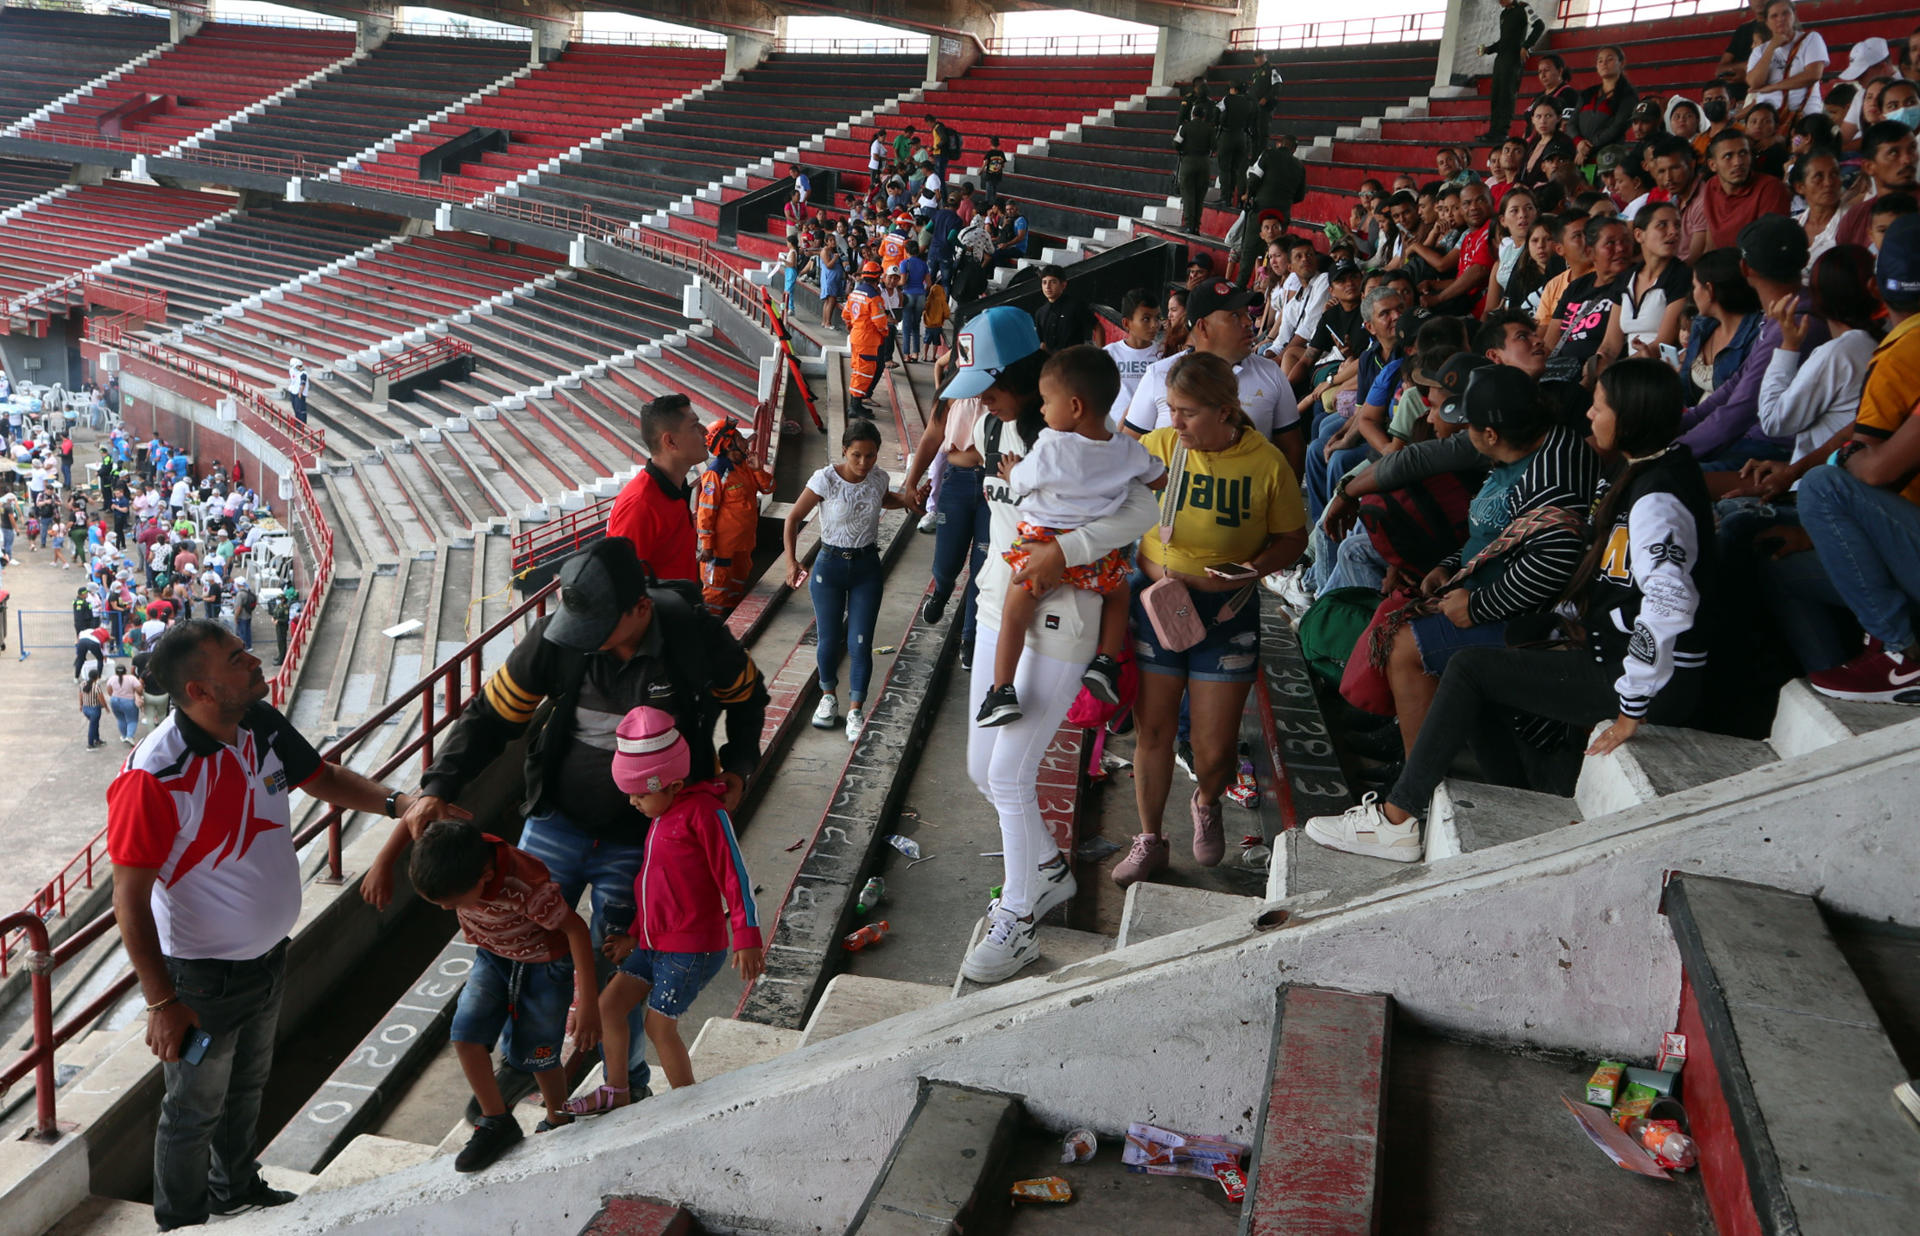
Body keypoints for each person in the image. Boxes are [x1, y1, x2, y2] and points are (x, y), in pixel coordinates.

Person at [377, 538, 767, 1109]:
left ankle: (627, 1078)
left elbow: (749, 697)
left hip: (644, 837)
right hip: (558, 819)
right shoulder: (559, 640)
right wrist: (438, 787)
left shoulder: (693, 637)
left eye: (599, 631)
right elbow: (490, 716)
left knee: (626, 960)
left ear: (639, 609)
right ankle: (526, 1058)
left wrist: (738, 765)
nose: (586, 643)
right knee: (524, 942)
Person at [1306, 360, 1712, 860]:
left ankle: (1400, 815)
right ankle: (1507, 797)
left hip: (1631, 676)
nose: (1588, 415)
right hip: (1611, 656)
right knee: (1473, 673)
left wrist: (1632, 708)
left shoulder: (1655, 497)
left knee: (1467, 666)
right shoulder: (1644, 473)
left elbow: (1670, 602)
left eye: (1600, 406)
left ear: (1629, 418)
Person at [109, 620, 418, 1229]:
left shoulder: (258, 723)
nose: (254, 661)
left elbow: (322, 778)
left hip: (269, 956)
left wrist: (397, 803)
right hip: (200, 981)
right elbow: (129, 901)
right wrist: (161, 1001)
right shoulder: (153, 777)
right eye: (235, 658)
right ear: (199, 690)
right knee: (193, 1108)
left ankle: (236, 1191)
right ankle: (182, 1221)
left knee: (246, 1089)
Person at [941, 308, 1158, 982]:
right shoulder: (992, 424)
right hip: (996, 604)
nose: (982, 397)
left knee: (1010, 774)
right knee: (984, 770)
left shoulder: (1084, 438)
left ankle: (1020, 917)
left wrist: (1066, 551)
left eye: (992, 383)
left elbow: (1148, 509)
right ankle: (1046, 872)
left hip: (1065, 611)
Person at [1112, 351, 1307, 886]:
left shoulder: (1265, 463)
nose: (1175, 422)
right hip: (1160, 606)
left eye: (1187, 412)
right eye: (1171, 409)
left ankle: (1207, 797)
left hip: (1228, 612)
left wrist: (1252, 570)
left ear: (1226, 411)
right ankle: (1149, 837)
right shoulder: (1158, 450)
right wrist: (1148, 564)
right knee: (1151, 731)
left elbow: (1293, 538)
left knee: (1214, 747)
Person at [564, 706, 762, 1114]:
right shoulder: (662, 814)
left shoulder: (706, 814)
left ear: (671, 783)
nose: (633, 802)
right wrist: (634, 933)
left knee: (659, 1025)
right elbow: (653, 887)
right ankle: (616, 1092)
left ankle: (689, 1109)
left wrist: (746, 936)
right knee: (609, 1006)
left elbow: (735, 877)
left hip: (692, 949)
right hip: (656, 943)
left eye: (639, 793)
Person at [396, 820, 601, 1169]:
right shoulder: (456, 859)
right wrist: (385, 864)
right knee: (465, 1035)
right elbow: (419, 814)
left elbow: (577, 930)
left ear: (485, 877)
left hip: (544, 967)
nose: (448, 909)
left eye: (454, 902)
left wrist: (588, 1004)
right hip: (494, 957)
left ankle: (558, 1118)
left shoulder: (527, 889)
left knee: (540, 1054)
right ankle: (495, 1121)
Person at [978, 346, 1161, 726]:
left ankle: (1001, 691)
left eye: (1046, 402)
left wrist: (1012, 471)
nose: (1042, 410)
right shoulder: (1126, 448)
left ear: (1075, 406)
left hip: (1043, 546)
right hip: (1095, 555)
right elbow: (1157, 476)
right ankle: (1106, 662)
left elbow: (1026, 483)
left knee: (1015, 611)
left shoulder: (1051, 445)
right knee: (1118, 592)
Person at [1795, 216, 1920, 700]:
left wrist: (1843, 463)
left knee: (1822, 491)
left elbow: (1875, 468)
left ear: (1878, 287)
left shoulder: (1901, 348)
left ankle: (1899, 653)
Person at [782, 420, 912, 741]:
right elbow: (793, 517)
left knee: (860, 642)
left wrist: (908, 499)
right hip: (830, 567)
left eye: (870, 456)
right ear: (844, 450)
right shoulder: (825, 479)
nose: (864, 463)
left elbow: (884, 499)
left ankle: (855, 709)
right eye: (856, 455)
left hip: (866, 567)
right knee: (828, 638)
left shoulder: (878, 478)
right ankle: (828, 697)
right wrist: (791, 560)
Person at [605, 393, 706, 583]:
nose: (705, 431)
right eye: (694, 426)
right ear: (670, 442)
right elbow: (622, 586)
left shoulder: (675, 487)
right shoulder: (640, 506)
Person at [694, 419, 774, 616]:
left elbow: (768, 488)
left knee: (737, 586)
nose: (745, 440)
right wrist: (707, 544)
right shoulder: (716, 473)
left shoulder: (746, 466)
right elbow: (706, 511)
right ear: (728, 444)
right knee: (715, 593)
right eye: (739, 437)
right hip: (721, 548)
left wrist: (758, 470)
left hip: (743, 544)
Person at [1685, 129, 1793, 261]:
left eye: (1743, 153)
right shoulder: (1711, 186)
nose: (1738, 162)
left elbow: (1769, 251)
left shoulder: (1770, 189)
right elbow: (1711, 243)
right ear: (1713, 165)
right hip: (1722, 270)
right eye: (1728, 156)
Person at [1834, 120, 1919, 251]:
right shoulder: (1855, 217)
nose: (1908, 159)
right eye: (1893, 153)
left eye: (1912, 149)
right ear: (1869, 166)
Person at [1743, 0, 1826, 119]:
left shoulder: (1811, 39)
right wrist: (1772, 47)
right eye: (1774, 16)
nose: (1780, 19)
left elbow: (1813, 75)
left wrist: (1772, 87)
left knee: (1800, 137)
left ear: (1794, 15)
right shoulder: (1759, 51)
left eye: (1785, 13)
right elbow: (1754, 83)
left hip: (1803, 117)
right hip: (1768, 119)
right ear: (1767, 22)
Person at [1481, 0, 1546, 141]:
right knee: (1496, 95)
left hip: (1513, 60)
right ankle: (1493, 131)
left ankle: (1502, 132)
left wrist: (1526, 46)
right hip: (1501, 59)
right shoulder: (1504, 14)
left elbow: (1539, 26)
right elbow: (1504, 40)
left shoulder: (1524, 8)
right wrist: (1489, 49)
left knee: (1507, 95)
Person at [1573, 46, 1638, 164]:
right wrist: (1579, 142)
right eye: (1600, 61)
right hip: (1581, 155)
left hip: (1610, 157)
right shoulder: (1588, 93)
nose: (1604, 64)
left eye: (1610, 59)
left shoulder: (1628, 95)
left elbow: (1616, 128)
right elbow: (1571, 123)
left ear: (1622, 63)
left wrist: (1586, 148)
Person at [844, 260, 889, 417]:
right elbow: (880, 322)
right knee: (864, 372)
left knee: (858, 370)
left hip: (856, 337)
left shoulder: (854, 293)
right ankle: (855, 407)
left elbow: (846, 315)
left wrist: (852, 328)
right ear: (877, 278)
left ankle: (854, 404)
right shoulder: (874, 298)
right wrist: (884, 332)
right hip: (868, 340)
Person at [1105, 288, 1163, 407]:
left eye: (1157, 318)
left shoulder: (1164, 355)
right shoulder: (1109, 354)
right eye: (1146, 319)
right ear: (1126, 323)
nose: (1154, 325)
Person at [1031, 264, 1097, 353]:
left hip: (1074, 360)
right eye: (1044, 282)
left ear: (1063, 285)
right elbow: (1043, 344)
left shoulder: (1075, 305)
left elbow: (1098, 327)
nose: (1047, 286)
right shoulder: (1040, 313)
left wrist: (1103, 353)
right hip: (1053, 363)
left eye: (1053, 282)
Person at [1174, 101, 1218, 235]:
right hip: (1204, 163)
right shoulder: (1210, 128)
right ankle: (1197, 227)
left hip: (1188, 162)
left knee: (1188, 195)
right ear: (1204, 116)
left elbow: (1176, 143)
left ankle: (1189, 225)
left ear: (1193, 115)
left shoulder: (1185, 127)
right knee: (1199, 196)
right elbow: (1214, 147)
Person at [106, 661, 142, 746]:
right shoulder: (131, 678)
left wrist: (115, 695)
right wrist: (136, 693)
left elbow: (109, 691)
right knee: (132, 720)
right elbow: (140, 689)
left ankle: (124, 735)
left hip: (114, 700)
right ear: (126, 671)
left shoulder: (112, 678)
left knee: (120, 719)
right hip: (128, 701)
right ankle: (129, 736)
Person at [80, 667, 105, 750]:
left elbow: (80, 695)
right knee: (93, 726)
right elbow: (101, 698)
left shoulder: (82, 684)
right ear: (97, 677)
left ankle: (97, 739)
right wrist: (105, 706)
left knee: (95, 724)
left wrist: (81, 705)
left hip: (85, 708)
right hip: (94, 709)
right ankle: (90, 745)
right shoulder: (96, 687)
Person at [285, 358, 309, 425]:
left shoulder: (303, 374)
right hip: (293, 391)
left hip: (299, 393)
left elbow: (302, 385)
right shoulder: (293, 370)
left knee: (300, 408)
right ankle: (297, 421)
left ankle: (302, 423)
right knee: (295, 407)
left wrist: (300, 393)